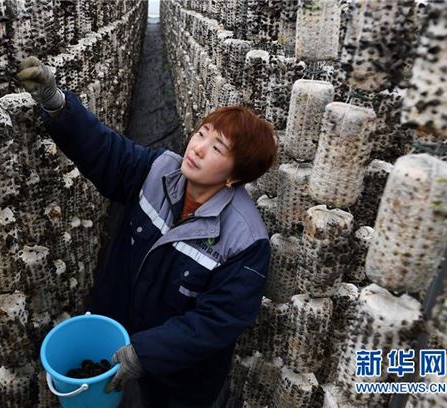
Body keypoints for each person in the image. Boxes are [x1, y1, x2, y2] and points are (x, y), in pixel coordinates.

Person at [17, 57, 276, 407]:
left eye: (216, 148)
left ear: (235, 176)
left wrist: (146, 353)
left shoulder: (246, 240)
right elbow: (104, 150)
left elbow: (218, 320)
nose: (197, 148)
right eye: (201, 134)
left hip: (181, 376)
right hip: (116, 329)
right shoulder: (159, 170)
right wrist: (57, 103)